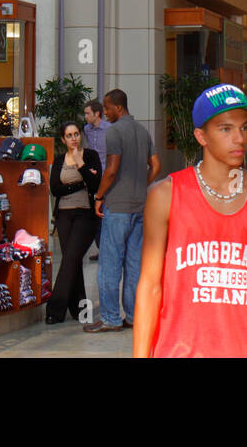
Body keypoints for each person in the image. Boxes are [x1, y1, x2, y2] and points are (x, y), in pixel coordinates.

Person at [134, 83, 247, 357]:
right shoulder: (165, 195)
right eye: (226, 129)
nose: (239, 138)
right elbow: (150, 286)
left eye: (244, 127)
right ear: (201, 136)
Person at [86, 88, 160, 333]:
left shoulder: (115, 131)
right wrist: (141, 184)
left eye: (107, 108)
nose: (105, 113)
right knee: (134, 264)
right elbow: (156, 166)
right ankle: (132, 315)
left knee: (110, 263)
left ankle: (110, 318)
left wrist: (99, 196)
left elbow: (112, 169)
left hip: (117, 207)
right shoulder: (142, 130)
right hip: (139, 206)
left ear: (118, 107)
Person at [46, 121, 102, 324]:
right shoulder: (60, 159)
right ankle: (80, 310)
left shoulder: (90, 156)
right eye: (69, 135)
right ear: (63, 139)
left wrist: (81, 165)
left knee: (70, 259)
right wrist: (80, 183)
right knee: (73, 261)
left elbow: (96, 184)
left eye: (76, 134)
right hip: (63, 215)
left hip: (84, 215)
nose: (73, 138)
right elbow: (55, 189)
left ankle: (54, 309)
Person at [83, 100, 112, 256]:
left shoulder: (109, 129)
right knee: (95, 213)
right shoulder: (86, 129)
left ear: (97, 113)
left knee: (104, 211)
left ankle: (106, 248)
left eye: (88, 113)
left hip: (107, 174)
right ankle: (102, 248)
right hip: (93, 175)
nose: (85, 116)